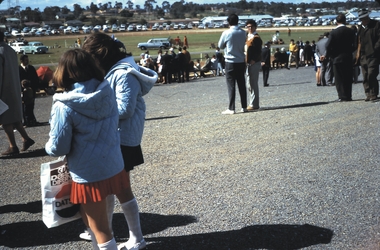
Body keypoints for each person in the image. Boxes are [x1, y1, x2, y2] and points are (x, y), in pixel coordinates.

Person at [45, 49, 129, 250]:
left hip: (88, 174)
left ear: (64, 71)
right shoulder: (106, 90)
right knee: (98, 223)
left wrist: (47, 145)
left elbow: (58, 147)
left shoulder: (63, 105)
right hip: (114, 164)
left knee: (100, 229)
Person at [83, 33, 157, 250]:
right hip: (116, 137)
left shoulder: (124, 73)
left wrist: (96, 107)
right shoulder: (117, 71)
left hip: (123, 140)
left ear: (101, 54)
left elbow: (125, 108)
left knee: (122, 188)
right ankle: (107, 232)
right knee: (110, 187)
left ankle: (137, 238)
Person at [0, 31, 35, 156]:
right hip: (14, 87)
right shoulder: (10, 50)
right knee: (14, 118)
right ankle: (26, 139)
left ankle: (12, 146)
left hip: (4, 90)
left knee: (6, 120)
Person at [218, 13, 247, 114]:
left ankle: (231, 108)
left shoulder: (226, 33)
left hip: (230, 61)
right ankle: (244, 106)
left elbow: (220, 45)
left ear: (228, 22)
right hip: (241, 61)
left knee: (231, 85)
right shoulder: (243, 32)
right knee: (241, 84)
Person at [325, 13, 356, 102]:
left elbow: (328, 45)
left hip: (336, 57)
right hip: (348, 56)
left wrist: (331, 54)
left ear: (336, 21)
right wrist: (350, 51)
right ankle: (348, 95)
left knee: (338, 78)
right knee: (348, 77)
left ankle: (341, 96)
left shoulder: (333, 32)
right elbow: (355, 44)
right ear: (345, 20)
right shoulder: (351, 31)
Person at [356, 9, 380, 102]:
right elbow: (358, 41)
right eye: (361, 19)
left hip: (373, 55)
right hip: (363, 55)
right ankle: (368, 93)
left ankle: (374, 93)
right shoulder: (360, 28)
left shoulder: (376, 24)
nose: (363, 20)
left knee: (371, 74)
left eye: (364, 18)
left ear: (367, 17)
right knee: (365, 76)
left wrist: (375, 48)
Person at [245, 19, 262, 111]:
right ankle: (252, 101)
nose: (250, 28)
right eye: (248, 26)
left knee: (253, 83)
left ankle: (254, 104)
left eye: (251, 26)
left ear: (255, 27)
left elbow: (258, 51)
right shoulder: (247, 36)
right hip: (247, 63)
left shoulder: (256, 38)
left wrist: (254, 60)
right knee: (249, 84)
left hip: (254, 63)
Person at [19, 54, 40, 126]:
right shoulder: (18, 69)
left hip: (31, 90)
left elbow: (35, 78)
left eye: (27, 59)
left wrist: (37, 87)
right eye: (25, 60)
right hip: (22, 91)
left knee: (31, 105)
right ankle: (26, 121)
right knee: (24, 106)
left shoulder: (31, 68)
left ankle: (32, 120)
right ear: (21, 61)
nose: (27, 61)